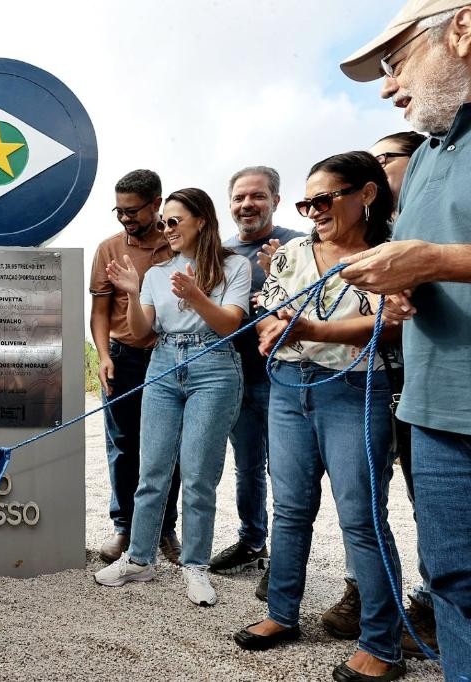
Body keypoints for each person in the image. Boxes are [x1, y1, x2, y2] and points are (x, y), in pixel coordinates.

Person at [233, 152, 406, 682]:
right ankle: (282, 614)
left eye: (324, 200)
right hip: (289, 389)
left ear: (366, 195)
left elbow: (393, 325)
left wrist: (310, 329)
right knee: (289, 509)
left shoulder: (390, 255)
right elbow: (271, 310)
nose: (313, 211)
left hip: (355, 390)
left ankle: (382, 644)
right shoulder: (290, 253)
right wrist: (270, 330)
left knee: (361, 517)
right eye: (306, 204)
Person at [339, 3, 471, 677]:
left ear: (462, 30)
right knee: (452, 584)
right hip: (434, 413)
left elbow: (439, 256)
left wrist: (434, 260)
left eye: (396, 63)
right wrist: (401, 289)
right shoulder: (423, 159)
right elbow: (425, 266)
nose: (390, 88)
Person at [94, 188, 248, 607]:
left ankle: (195, 566)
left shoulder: (235, 266)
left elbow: (229, 326)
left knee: (198, 474)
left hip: (214, 365)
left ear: (202, 220)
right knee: (152, 470)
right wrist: (131, 291)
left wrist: (196, 296)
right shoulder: (158, 272)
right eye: (164, 223)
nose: (167, 229)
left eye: (175, 221)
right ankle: (139, 559)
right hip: (162, 363)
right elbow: (141, 330)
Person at [320, 130, 434, 653]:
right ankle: (364, 591)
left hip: (421, 382)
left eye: (385, 158)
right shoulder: (377, 235)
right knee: (371, 497)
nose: (376, 166)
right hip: (382, 384)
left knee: (429, 498)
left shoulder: (417, 232)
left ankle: (430, 607)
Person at [209, 167, 302, 586]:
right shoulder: (221, 253)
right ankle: (251, 541)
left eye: (258, 196)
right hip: (235, 377)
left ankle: (285, 560)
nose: (248, 204)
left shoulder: (298, 245)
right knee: (246, 466)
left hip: (284, 377)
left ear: (275, 200)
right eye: (239, 198)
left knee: (285, 470)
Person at [88, 170, 182, 566]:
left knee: (168, 447)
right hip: (123, 357)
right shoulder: (108, 249)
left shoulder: (178, 242)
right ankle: (124, 527)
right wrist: (103, 355)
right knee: (124, 445)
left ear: (156, 204)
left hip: (170, 357)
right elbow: (100, 311)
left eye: (133, 211)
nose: (126, 218)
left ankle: (164, 528)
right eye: (119, 211)